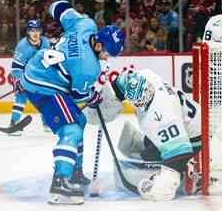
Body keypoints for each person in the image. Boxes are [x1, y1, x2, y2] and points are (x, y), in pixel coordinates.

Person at [19, 0, 125, 205]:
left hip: (36, 70)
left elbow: (59, 7)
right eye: (106, 54)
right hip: (45, 86)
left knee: (80, 121)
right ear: (99, 44)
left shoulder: (86, 25)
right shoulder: (88, 68)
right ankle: (60, 183)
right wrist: (94, 97)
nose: (105, 59)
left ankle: (75, 172)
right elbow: (78, 96)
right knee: (71, 129)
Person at [84, 68, 201, 201]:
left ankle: (191, 166)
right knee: (137, 144)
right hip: (189, 124)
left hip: (196, 141)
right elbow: (119, 85)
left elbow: (180, 151)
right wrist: (103, 101)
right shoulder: (140, 77)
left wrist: (164, 185)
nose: (138, 105)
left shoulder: (159, 113)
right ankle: (145, 149)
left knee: (154, 158)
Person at [10, 19, 51, 135]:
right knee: (21, 98)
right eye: (32, 30)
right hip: (21, 74)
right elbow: (16, 68)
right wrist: (19, 82)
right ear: (28, 32)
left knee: (44, 97)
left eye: (37, 30)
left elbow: (48, 60)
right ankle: (13, 123)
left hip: (38, 76)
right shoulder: (22, 46)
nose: (35, 33)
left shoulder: (46, 42)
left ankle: (47, 123)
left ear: (41, 31)